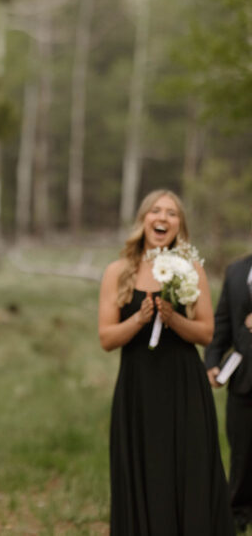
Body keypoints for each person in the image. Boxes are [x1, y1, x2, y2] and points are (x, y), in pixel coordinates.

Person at [97, 189, 233, 535]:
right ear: (144, 220)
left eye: (171, 213)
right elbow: (107, 339)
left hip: (184, 386)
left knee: (188, 468)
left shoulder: (191, 269)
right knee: (146, 468)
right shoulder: (117, 271)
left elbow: (206, 333)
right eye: (156, 211)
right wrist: (139, 321)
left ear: (179, 225)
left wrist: (174, 320)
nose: (163, 218)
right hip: (138, 387)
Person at [206, 229, 252, 532]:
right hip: (243, 383)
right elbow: (221, 322)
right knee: (242, 452)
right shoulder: (236, 272)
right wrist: (211, 361)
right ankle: (237, 515)